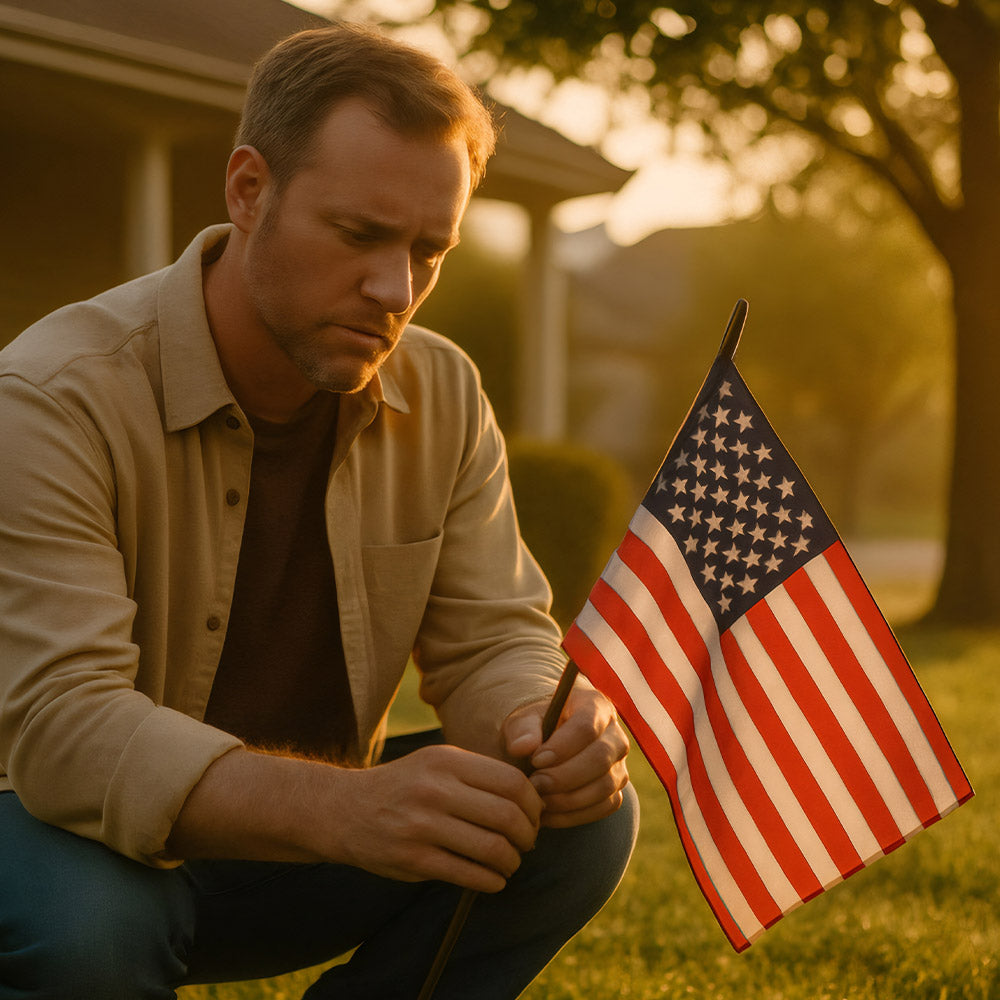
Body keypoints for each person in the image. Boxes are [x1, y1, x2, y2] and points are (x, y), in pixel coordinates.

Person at [0, 21, 638, 1000]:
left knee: (578, 818)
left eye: (430, 250)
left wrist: (537, 724)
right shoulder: (49, 396)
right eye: (359, 234)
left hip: (297, 846)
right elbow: (64, 725)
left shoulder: (443, 391)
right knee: (91, 927)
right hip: (62, 841)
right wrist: (347, 809)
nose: (395, 289)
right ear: (248, 190)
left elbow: (493, 639)